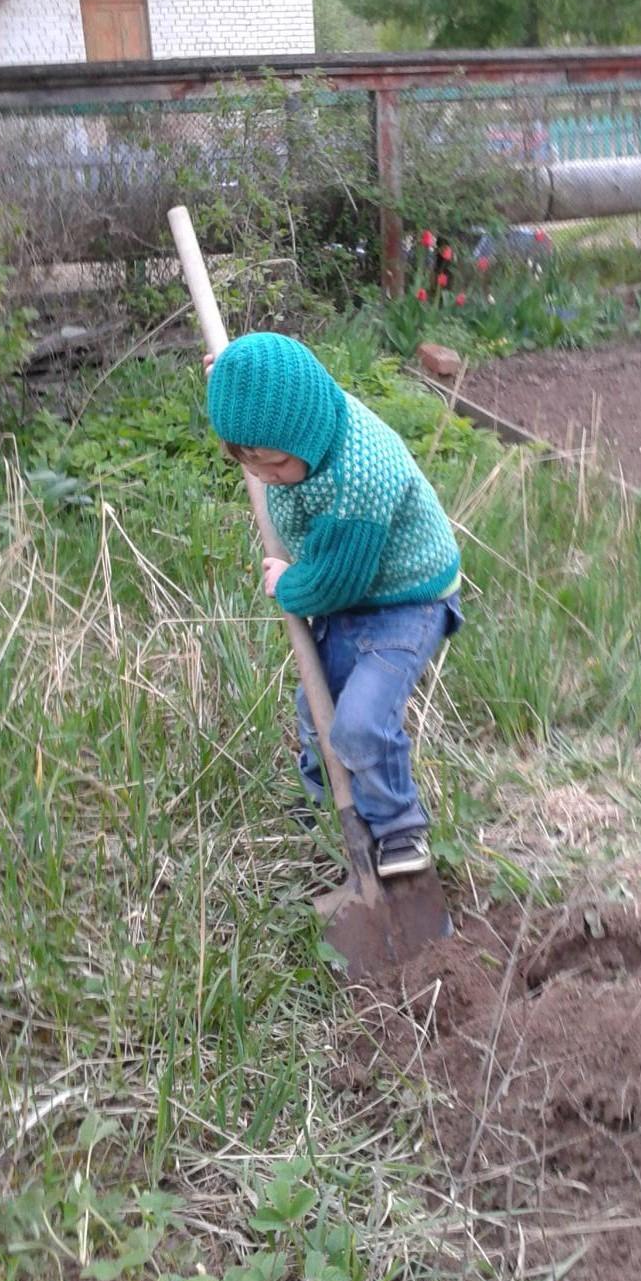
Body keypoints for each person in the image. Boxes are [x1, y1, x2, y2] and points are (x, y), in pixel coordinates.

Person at [204, 331, 462, 878]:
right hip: (355, 592)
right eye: (250, 463)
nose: (263, 476)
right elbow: (271, 392)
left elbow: (338, 583)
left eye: (272, 464)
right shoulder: (299, 416)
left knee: (360, 723)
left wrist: (291, 583)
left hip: (405, 602)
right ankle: (326, 804)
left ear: (307, 435)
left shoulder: (360, 477)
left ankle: (398, 829)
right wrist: (232, 382)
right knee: (313, 705)